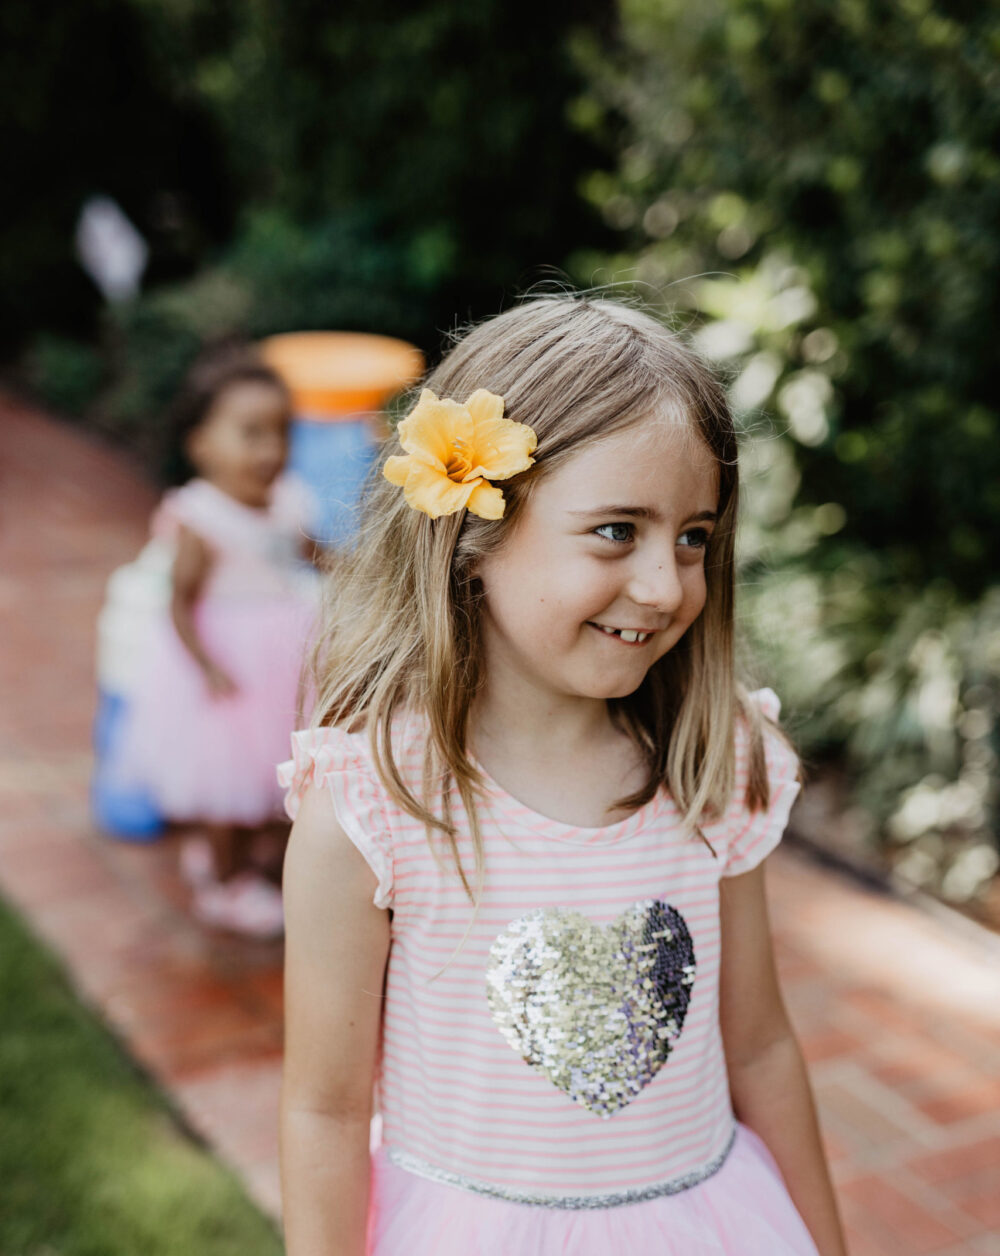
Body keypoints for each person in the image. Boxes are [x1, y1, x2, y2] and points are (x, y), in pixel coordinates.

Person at [278, 296, 848, 1254]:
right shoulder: (375, 806)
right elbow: (325, 1114)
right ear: (474, 538)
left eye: (694, 536)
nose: (666, 587)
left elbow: (758, 1045)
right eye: (617, 531)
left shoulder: (714, 767)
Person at [120, 351, 320, 937]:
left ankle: (250, 857)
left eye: (282, 432)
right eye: (251, 433)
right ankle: (225, 883)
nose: (271, 450)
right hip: (229, 662)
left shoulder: (290, 498)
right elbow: (178, 602)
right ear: (201, 444)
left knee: (276, 772)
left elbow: (311, 555)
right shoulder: (200, 517)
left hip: (287, 652)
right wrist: (206, 665)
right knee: (227, 780)